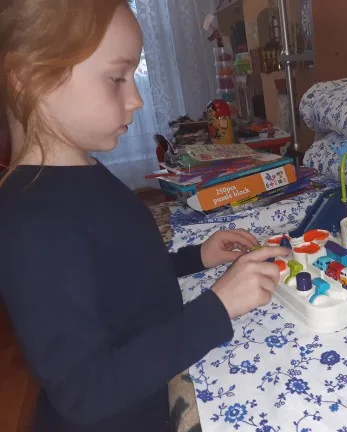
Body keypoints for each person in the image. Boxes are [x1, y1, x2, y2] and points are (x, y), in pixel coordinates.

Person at [0, 1, 289, 431]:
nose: (135, 99)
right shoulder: (31, 222)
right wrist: (217, 308)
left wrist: (196, 257)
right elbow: (85, 393)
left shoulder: (82, 171)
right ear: (26, 78)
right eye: (116, 78)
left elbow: (117, 275)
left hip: (149, 393)